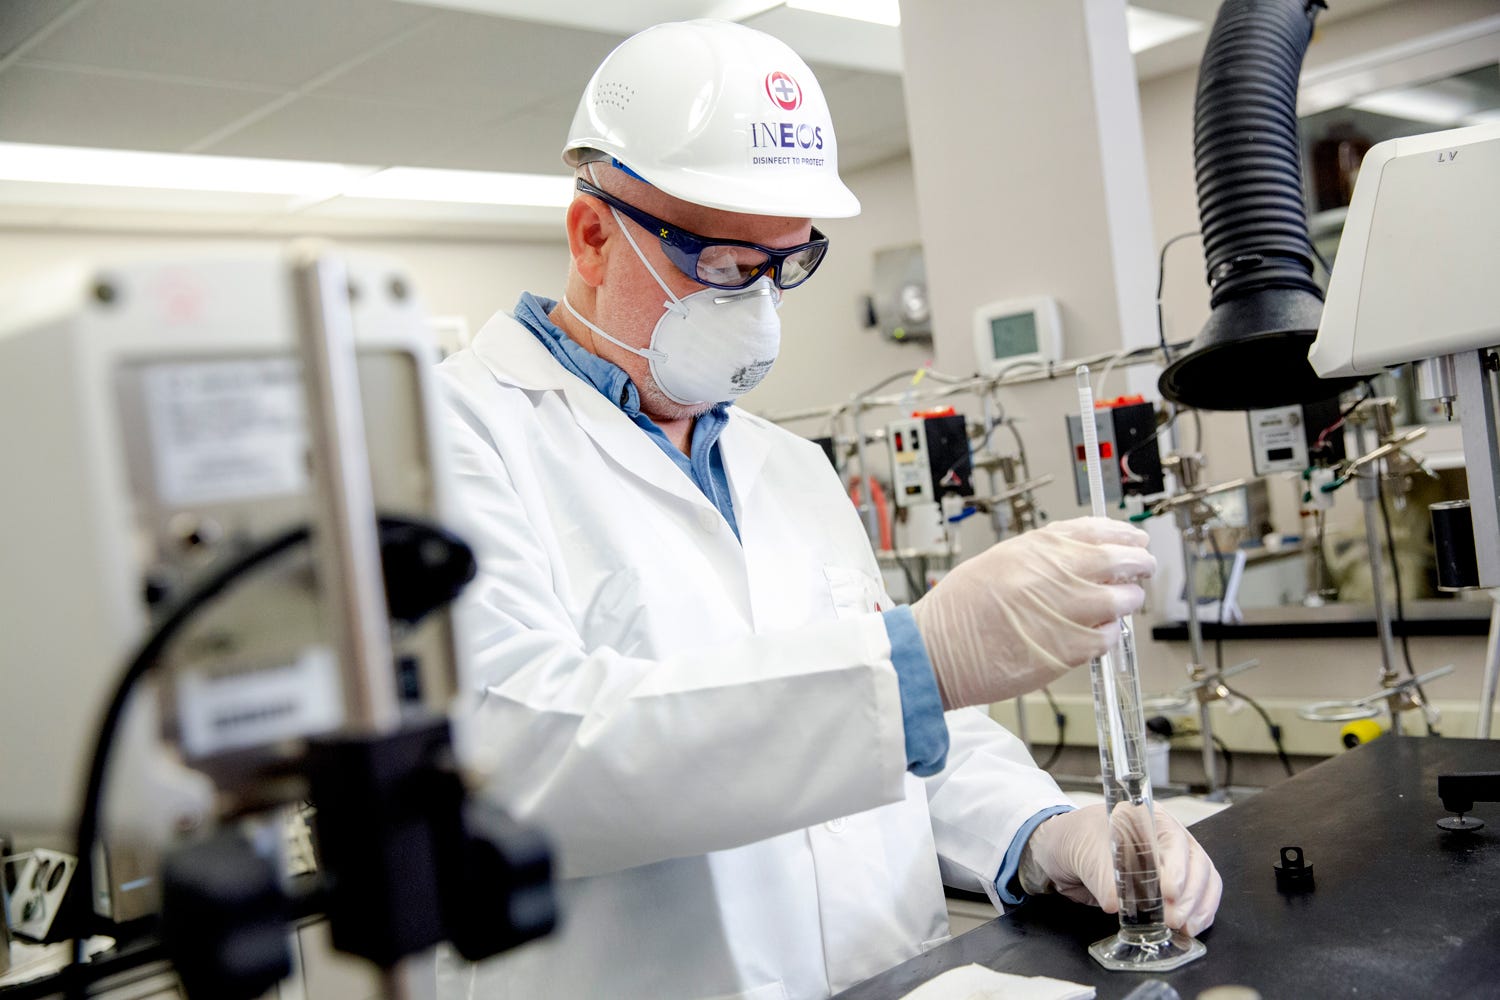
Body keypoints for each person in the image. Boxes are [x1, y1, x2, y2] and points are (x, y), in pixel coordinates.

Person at [435, 19, 1221, 1000]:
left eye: (786, 265)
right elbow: (522, 764)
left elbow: (901, 740)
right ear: (593, 235)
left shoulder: (790, 466)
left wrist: (1047, 829)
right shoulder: (448, 442)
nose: (759, 308)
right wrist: (915, 663)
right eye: (725, 264)